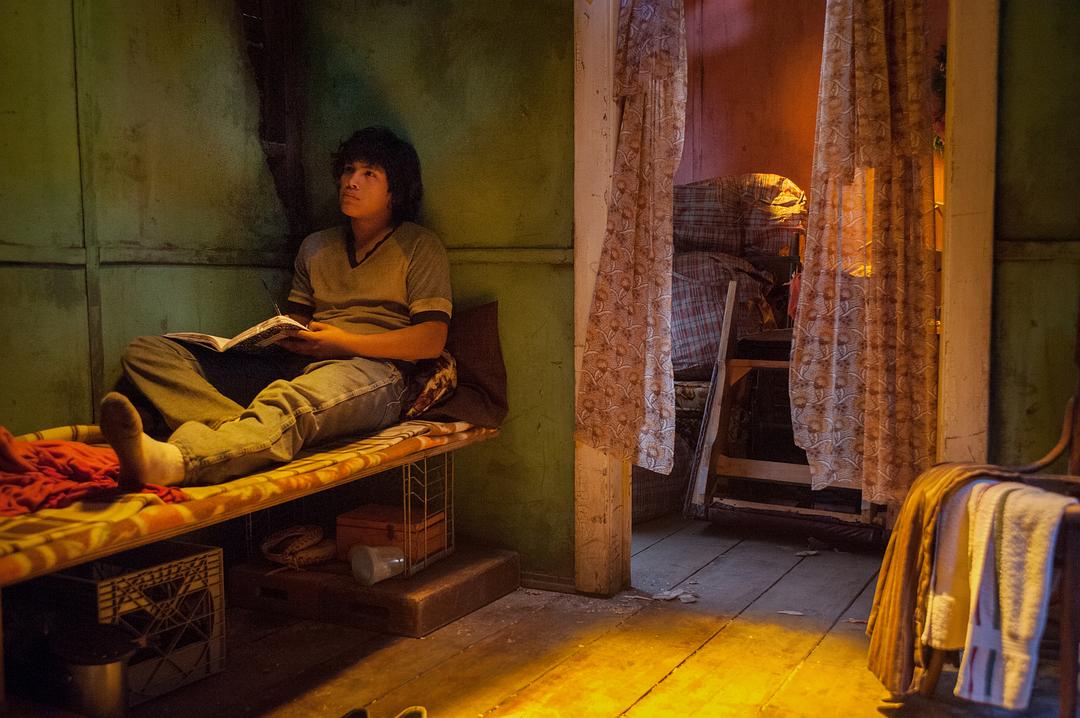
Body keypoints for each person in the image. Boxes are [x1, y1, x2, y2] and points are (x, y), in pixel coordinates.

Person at [100, 126, 452, 488]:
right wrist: (279, 334)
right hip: (301, 360)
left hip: (371, 370)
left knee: (288, 399)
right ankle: (238, 432)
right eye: (349, 170)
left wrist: (342, 343)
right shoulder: (316, 246)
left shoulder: (419, 246)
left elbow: (431, 340)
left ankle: (176, 461)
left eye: (369, 174)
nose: (351, 182)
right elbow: (299, 316)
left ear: (395, 190)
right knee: (149, 352)